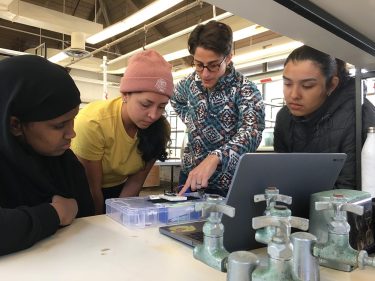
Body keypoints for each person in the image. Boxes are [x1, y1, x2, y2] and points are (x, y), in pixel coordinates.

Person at [0, 55, 95, 256]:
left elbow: (86, 218)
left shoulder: (66, 163)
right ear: (15, 124)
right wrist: (55, 213)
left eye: (73, 120)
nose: (72, 134)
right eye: (59, 125)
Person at [71, 50, 172, 214]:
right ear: (125, 94)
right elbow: (92, 189)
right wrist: (100, 223)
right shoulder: (93, 123)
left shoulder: (159, 128)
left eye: (161, 107)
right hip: (84, 191)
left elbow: (135, 183)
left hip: (120, 190)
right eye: (146, 104)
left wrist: (119, 216)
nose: (153, 115)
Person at [172, 20, 265, 196]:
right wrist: (192, 121)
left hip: (227, 182)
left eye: (213, 65)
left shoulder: (245, 89)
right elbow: (176, 100)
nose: (205, 74)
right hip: (190, 175)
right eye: (199, 64)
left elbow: (252, 131)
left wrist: (217, 156)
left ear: (228, 57)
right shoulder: (188, 83)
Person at [274, 45, 375, 188]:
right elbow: (280, 175)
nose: (294, 95)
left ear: (332, 85)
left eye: (307, 85)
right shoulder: (284, 117)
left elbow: (351, 190)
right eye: (287, 83)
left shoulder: (358, 115)